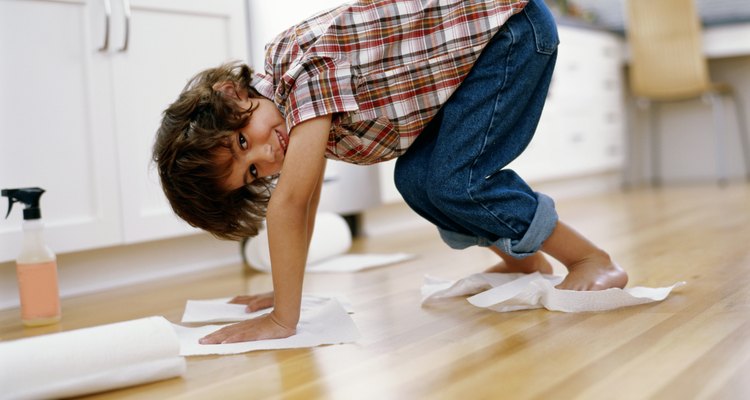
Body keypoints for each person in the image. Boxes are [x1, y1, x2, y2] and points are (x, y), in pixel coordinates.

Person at [153, 0, 627, 344]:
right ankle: (525, 261)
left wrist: (283, 319)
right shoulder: (289, 112)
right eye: (253, 171)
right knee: (416, 180)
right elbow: (308, 194)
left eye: (242, 141)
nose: (264, 153)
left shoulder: (298, 75)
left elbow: (292, 204)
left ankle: (591, 259)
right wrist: (283, 293)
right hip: (482, 55)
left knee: (454, 181)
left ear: (234, 96)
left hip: (511, 31)